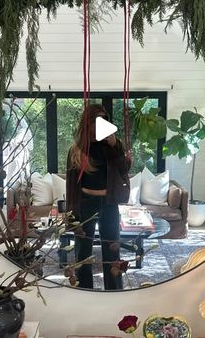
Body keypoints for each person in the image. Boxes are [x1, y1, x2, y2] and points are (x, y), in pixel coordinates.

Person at [66, 104, 130, 290]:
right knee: (83, 251)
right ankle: (84, 290)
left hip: (109, 203)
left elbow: (124, 171)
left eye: (104, 118)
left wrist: (114, 147)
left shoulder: (112, 145)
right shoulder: (77, 149)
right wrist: (71, 216)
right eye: (96, 119)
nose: (100, 123)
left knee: (112, 248)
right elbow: (71, 186)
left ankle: (114, 290)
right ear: (87, 123)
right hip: (86, 203)